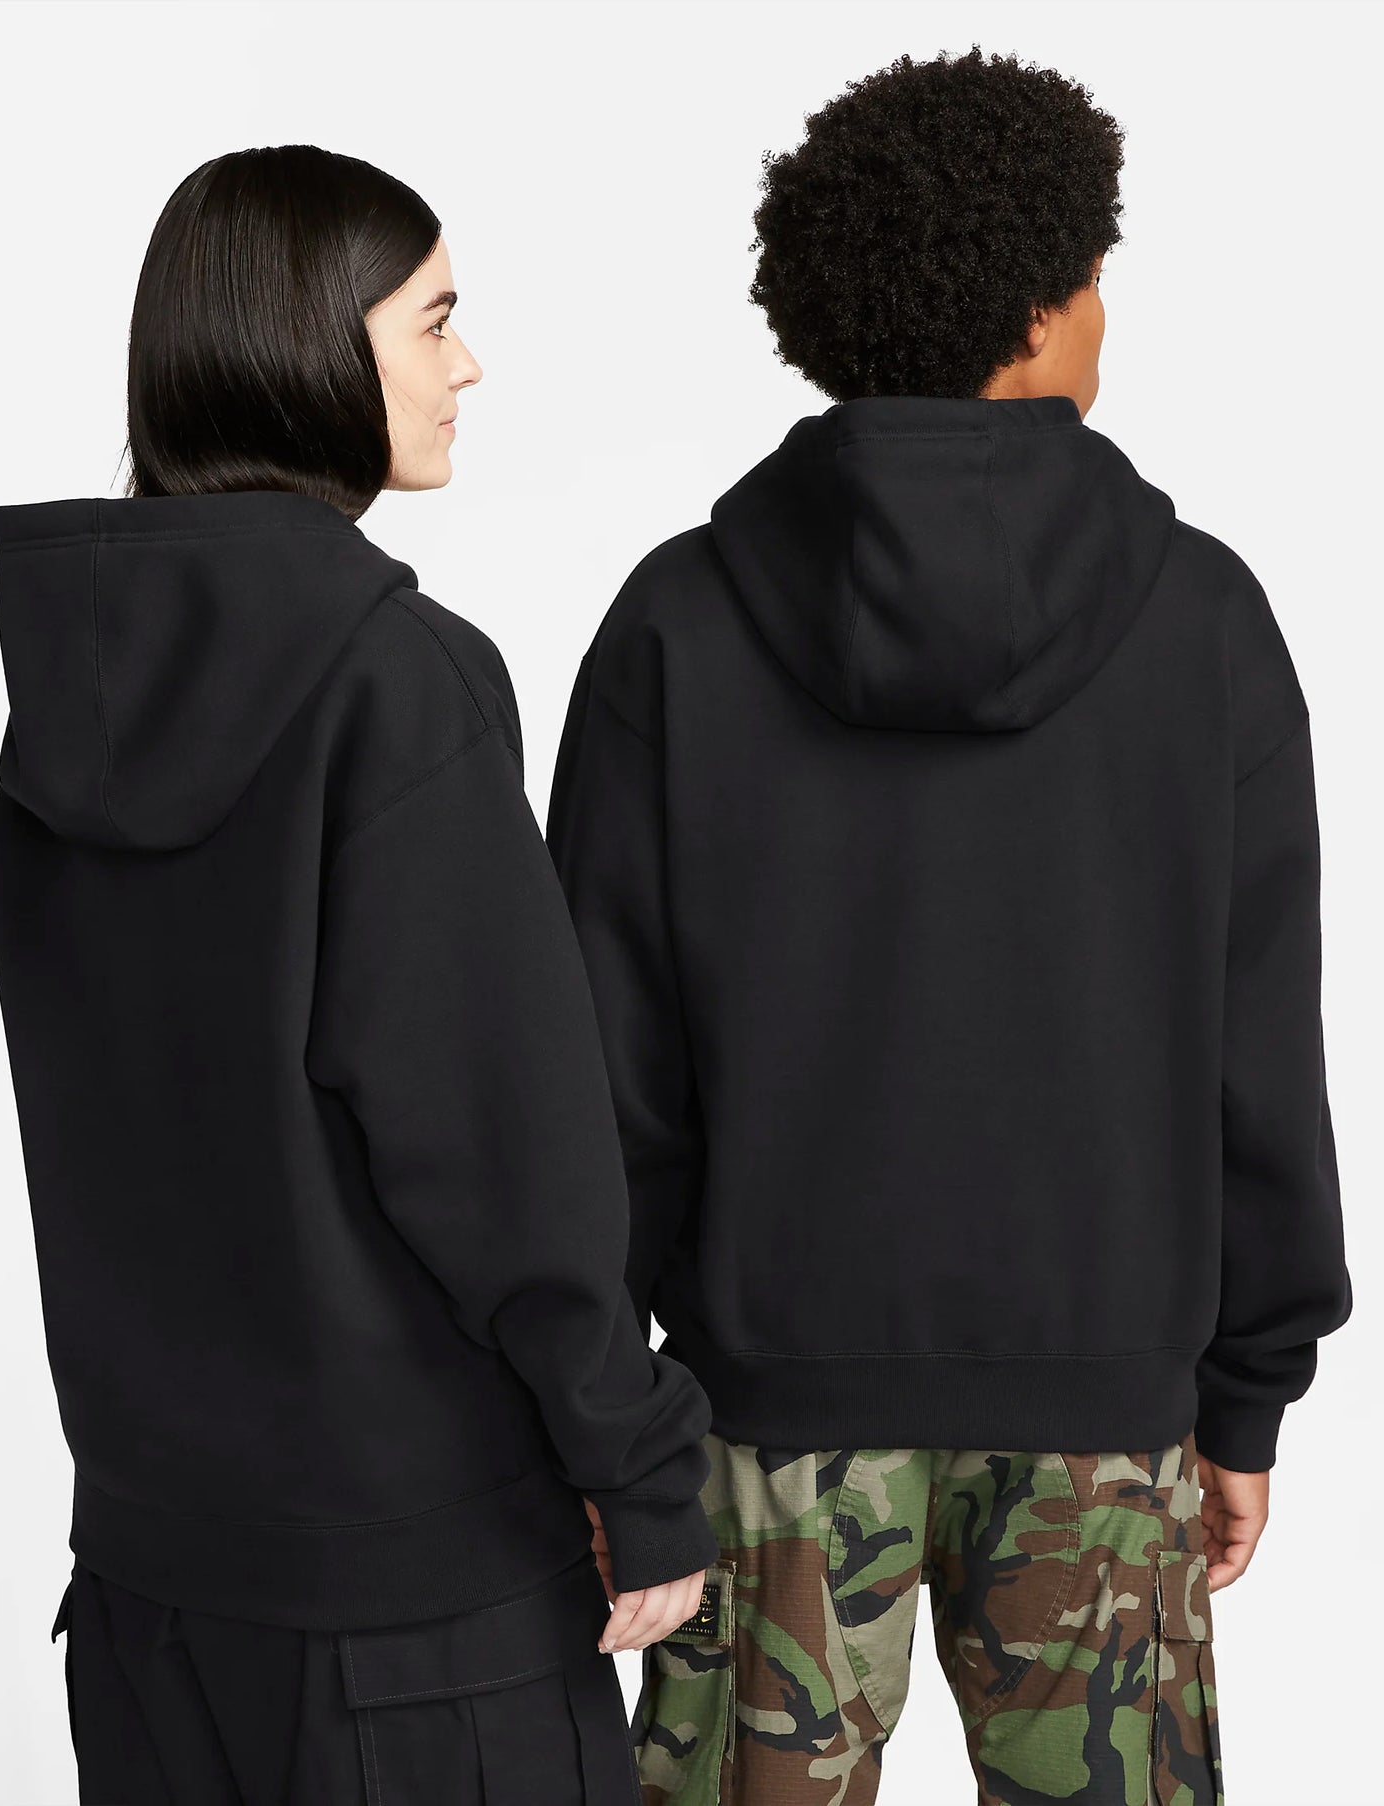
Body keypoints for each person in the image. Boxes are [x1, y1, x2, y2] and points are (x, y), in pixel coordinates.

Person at [546, 47, 1351, 1806]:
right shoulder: (1200, 620)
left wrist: (608, 1415)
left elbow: (601, 1074)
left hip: (765, 1427)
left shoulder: (677, 625)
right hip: (1102, 1422)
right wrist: (1245, 1388)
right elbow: (1254, 1044)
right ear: (1038, 307)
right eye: (1093, 275)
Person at [0, 144, 716, 1806]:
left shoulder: (60, 727)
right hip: (420, 1623)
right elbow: (500, 1142)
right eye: (434, 320)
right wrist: (637, 1462)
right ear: (312, 345)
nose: (469, 365)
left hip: (152, 1607)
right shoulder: (394, 682)